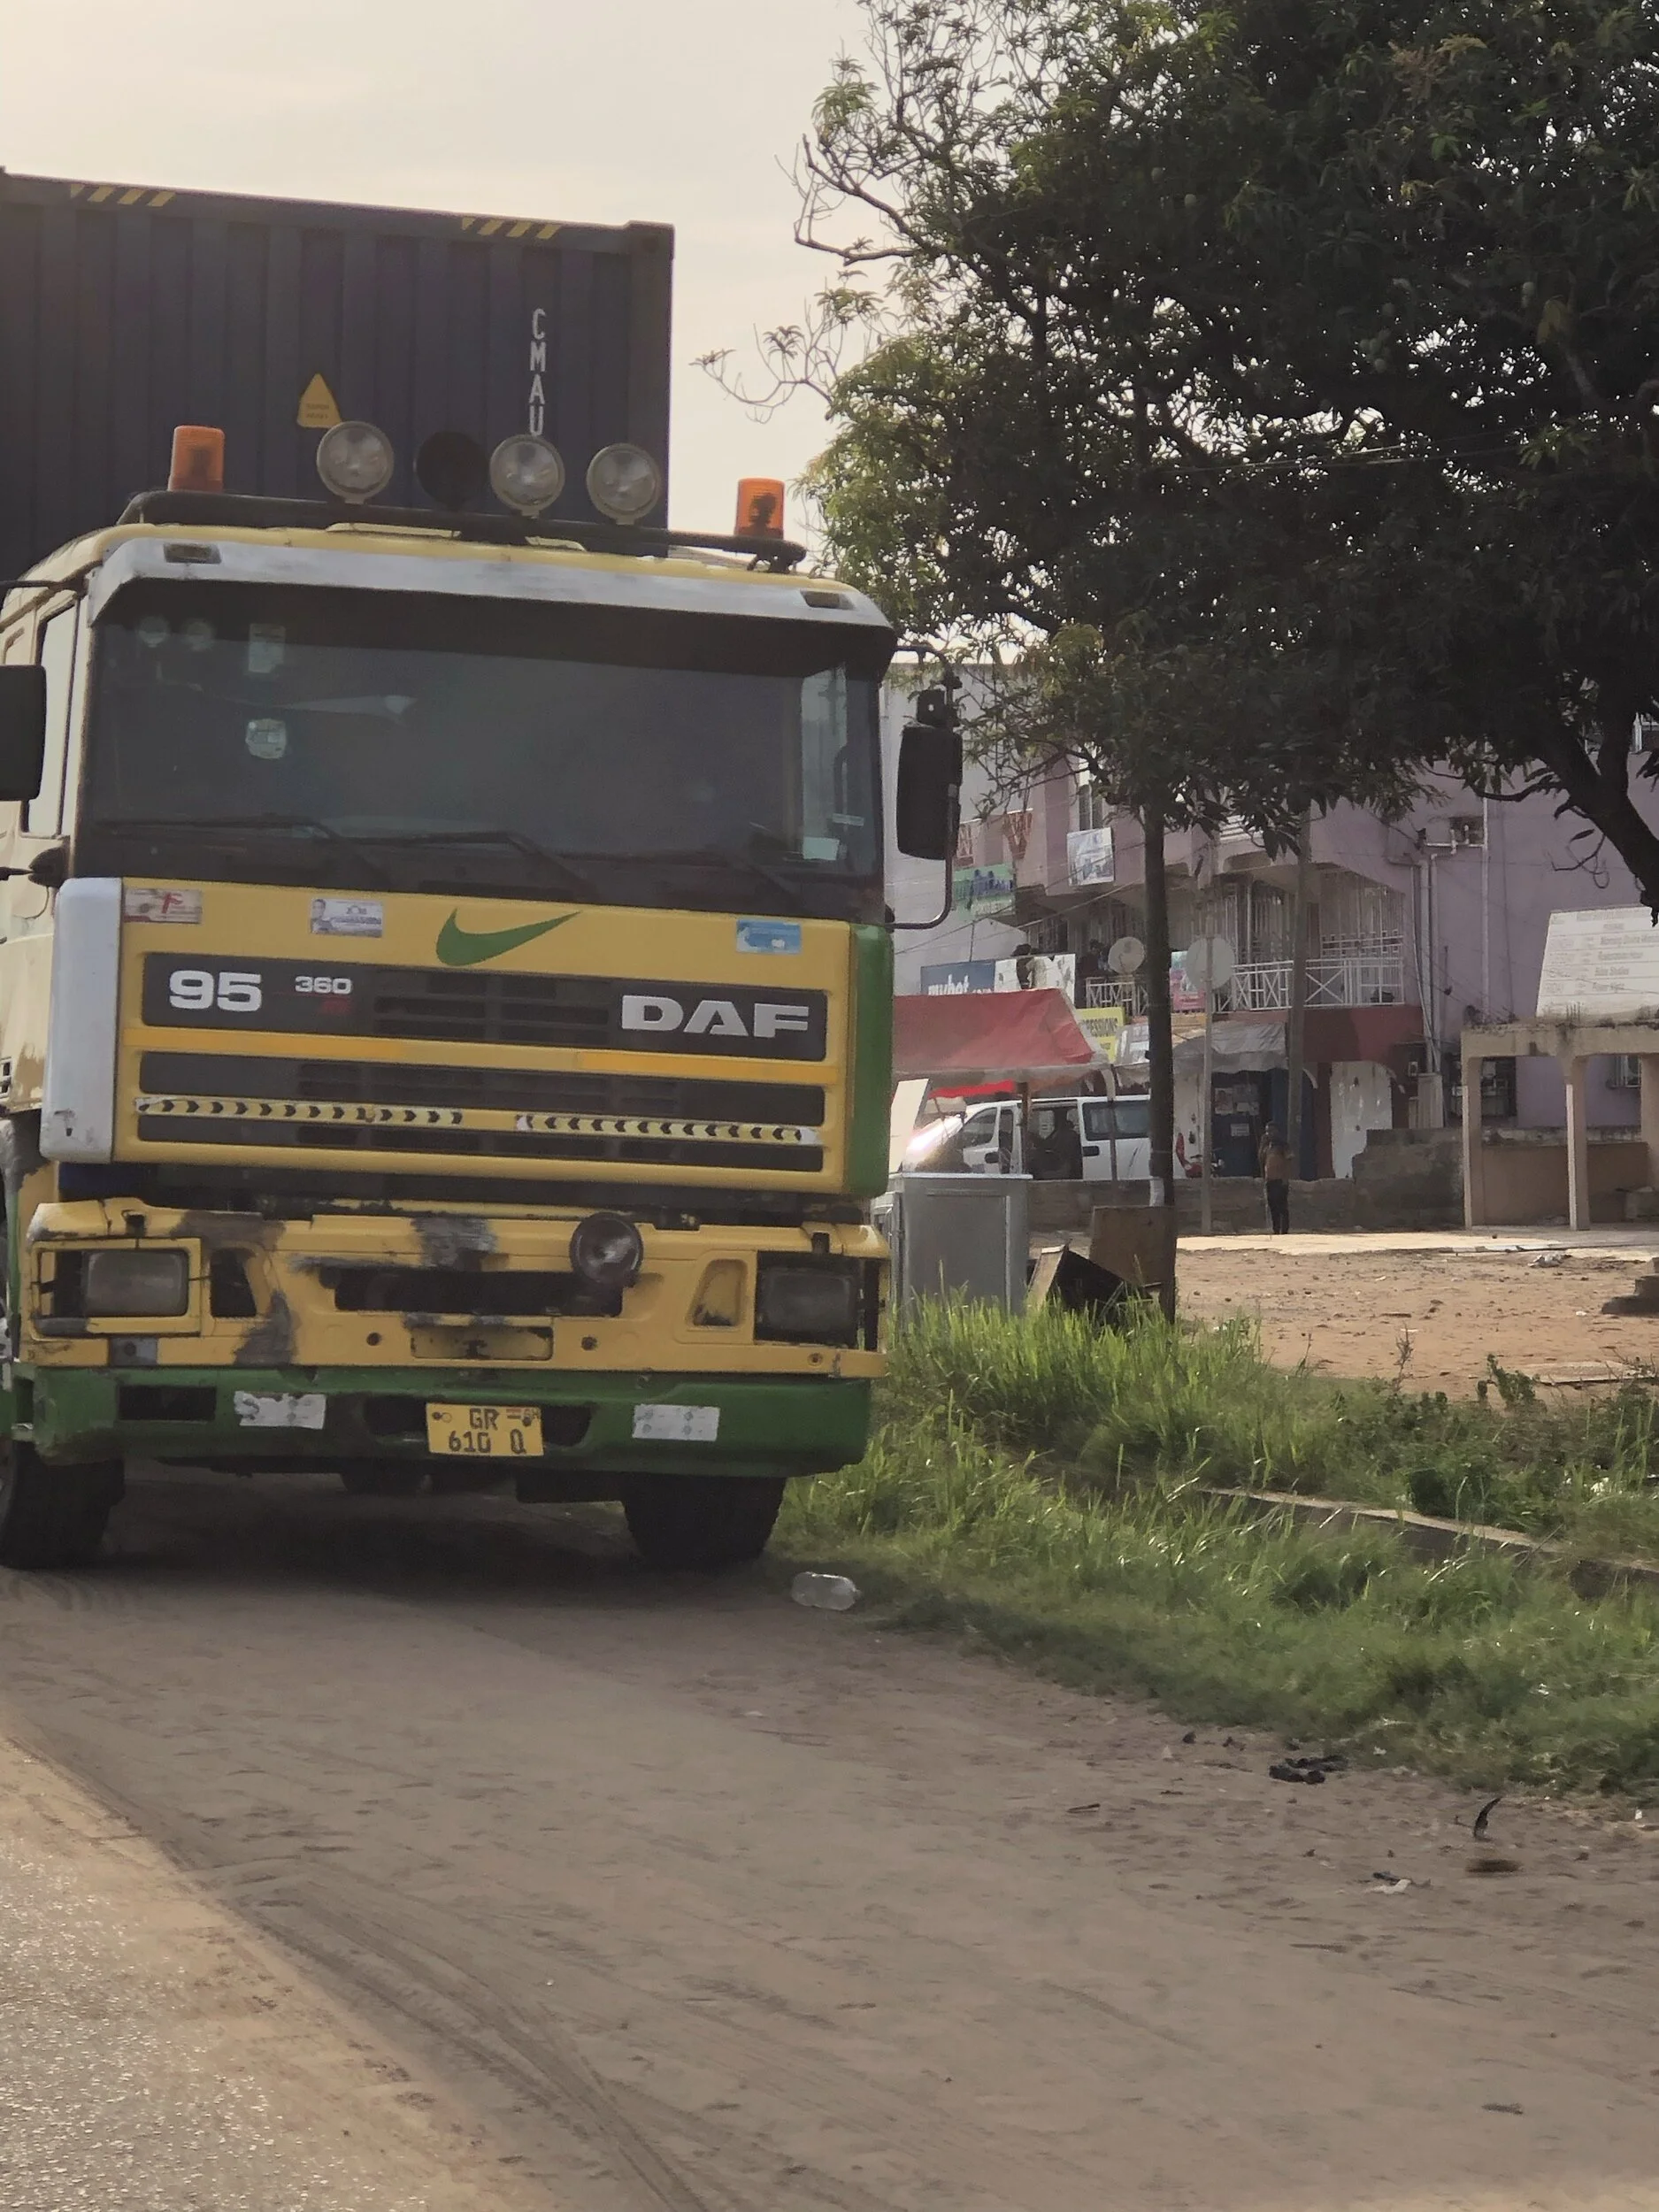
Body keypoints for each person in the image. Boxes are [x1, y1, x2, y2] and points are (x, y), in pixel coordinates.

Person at [1259, 1123, 1293, 1233]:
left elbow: (1289, 1161)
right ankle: (1276, 1229)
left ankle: (1284, 1230)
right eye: (1267, 1131)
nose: (1269, 1134)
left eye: (1271, 1131)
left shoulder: (1283, 1145)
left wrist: (1285, 1178)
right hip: (1270, 1180)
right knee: (1272, 1205)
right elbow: (1261, 1159)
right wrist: (1262, 1144)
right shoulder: (1267, 1146)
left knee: (1282, 1205)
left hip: (1280, 1180)